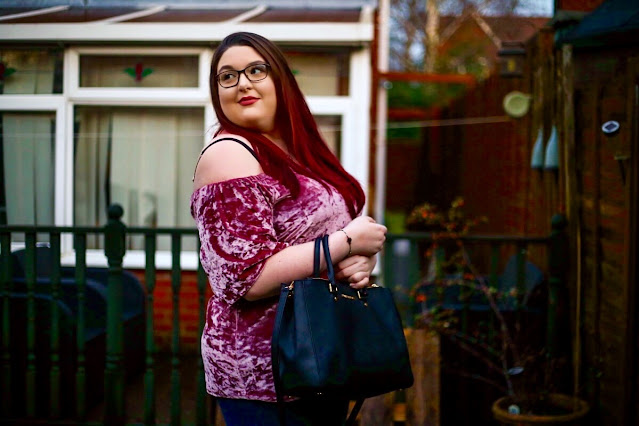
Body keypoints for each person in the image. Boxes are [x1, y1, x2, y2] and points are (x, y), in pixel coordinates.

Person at [191, 32, 387, 425]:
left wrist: (359, 260)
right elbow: (244, 277)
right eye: (227, 76)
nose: (243, 82)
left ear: (280, 79)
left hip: (322, 357)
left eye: (256, 70)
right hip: (267, 376)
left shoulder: (297, 150)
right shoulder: (230, 153)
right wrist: (346, 243)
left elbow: (326, 234)